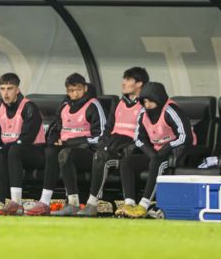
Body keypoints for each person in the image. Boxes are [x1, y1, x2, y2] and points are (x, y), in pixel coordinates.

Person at [115, 81, 193, 218]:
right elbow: (138, 138)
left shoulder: (171, 110)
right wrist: (151, 153)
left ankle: (143, 205)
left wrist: (163, 151)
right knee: (127, 162)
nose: (147, 105)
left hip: (175, 153)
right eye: (145, 101)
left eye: (151, 101)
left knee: (156, 162)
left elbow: (185, 137)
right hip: (155, 153)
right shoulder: (143, 113)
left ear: (159, 99)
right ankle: (129, 203)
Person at [29, 74, 104, 217]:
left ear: (85, 88)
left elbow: (99, 137)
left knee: (65, 153)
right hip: (65, 149)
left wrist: (70, 143)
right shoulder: (64, 106)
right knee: (51, 151)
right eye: (71, 90)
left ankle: (73, 203)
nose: (74, 94)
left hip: (86, 151)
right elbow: (55, 128)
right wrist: (53, 140)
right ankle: (45, 201)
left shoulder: (93, 105)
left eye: (78, 89)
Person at [79, 66, 149, 217]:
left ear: (139, 83)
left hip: (128, 150)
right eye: (124, 79)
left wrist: (128, 146)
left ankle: (92, 204)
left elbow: (146, 133)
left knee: (102, 157)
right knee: (98, 154)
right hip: (112, 146)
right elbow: (108, 128)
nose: (123, 83)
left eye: (128, 79)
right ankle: (86, 203)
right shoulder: (118, 103)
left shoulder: (146, 104)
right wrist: (104, 143)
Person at [0, 73, 46, 216]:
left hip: (35, 153)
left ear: (17, 90)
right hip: (12, 150)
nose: (6, 93)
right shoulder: (0, 107)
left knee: (14, 151)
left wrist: (7, 147)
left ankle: (16, 202)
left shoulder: (29, 107)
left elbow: (27, 138)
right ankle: (0, 200)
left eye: (10, 88)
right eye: (2, 89)